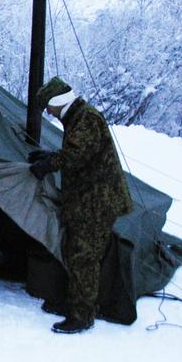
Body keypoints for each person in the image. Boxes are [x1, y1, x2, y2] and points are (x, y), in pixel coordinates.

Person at [28, 77, 132, 334]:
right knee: (75, 251)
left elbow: (77, 155)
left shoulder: (85, 119)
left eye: (48, 108)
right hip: (88, 199)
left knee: (84, 257)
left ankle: (82, 315)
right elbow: (78, 151)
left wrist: (49, 164)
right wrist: (50, 156)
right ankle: (75, 303)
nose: (48, 113)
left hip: (98, 202)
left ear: (56, 103)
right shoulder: (79, 117)